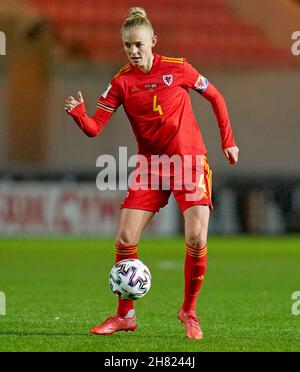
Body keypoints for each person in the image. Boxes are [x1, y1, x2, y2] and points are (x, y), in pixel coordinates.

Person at [64, 7, 239, 340]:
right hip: (151, 166)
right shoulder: (120, 82)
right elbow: (94, 128)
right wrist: (78, 115)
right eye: (127, 45)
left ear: (152, 42)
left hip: (189, 161)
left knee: (196, 238)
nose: (133, 51)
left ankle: (189, 310)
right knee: (125, 239)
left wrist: (228, 141)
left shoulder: (179, 69)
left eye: (139, 44)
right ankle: (125, 316)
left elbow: (216, 97)